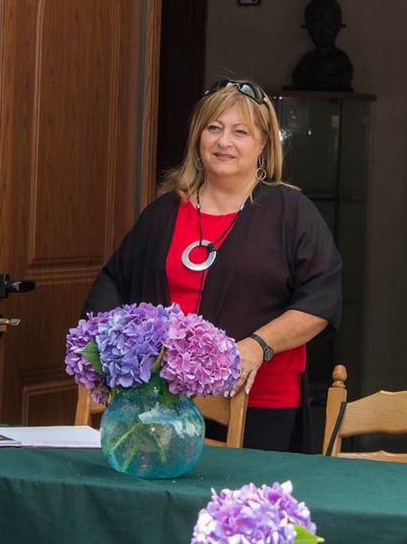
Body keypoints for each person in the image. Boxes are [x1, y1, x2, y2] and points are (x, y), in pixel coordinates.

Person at [85, 79, 342, 452]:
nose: (224, 142)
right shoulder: (163, 213)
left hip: (260, 402)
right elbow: (114, 282)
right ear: (198, 138)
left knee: (245, 489)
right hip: (165, 400)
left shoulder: (291, 213)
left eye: (240, 132)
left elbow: (321, 298)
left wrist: (259, 345)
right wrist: (112, 352)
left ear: (263, 143)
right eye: (214, 128)